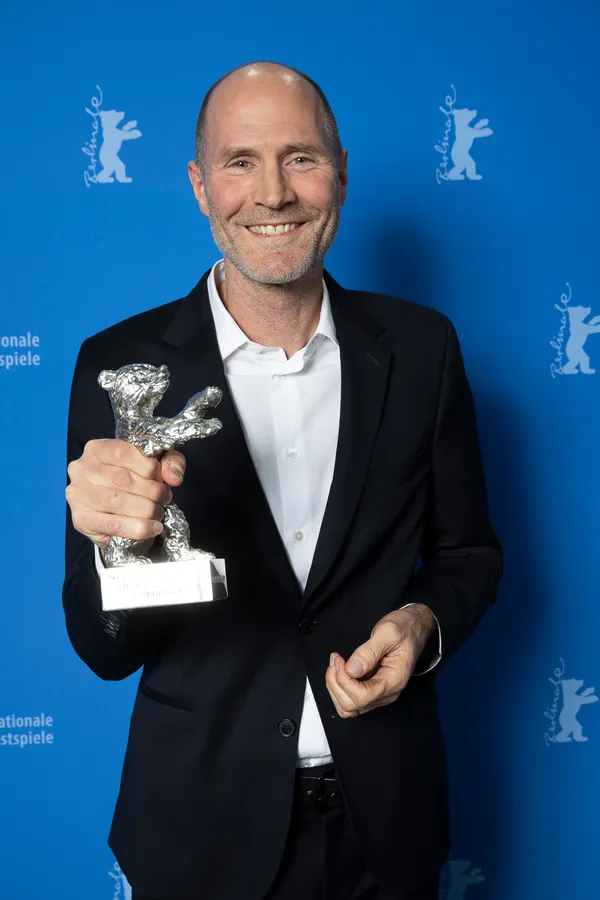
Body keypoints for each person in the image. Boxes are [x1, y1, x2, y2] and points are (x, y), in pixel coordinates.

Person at [63, 60, 502, 900]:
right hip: (196, 834)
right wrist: (114, 549)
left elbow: (469, 554)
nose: (273, 193)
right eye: (240, 162)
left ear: (341, 173)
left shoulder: (423, 348)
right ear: (200, 186)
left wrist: (421, 623)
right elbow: (101, 649)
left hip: (387, 831)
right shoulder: (118, 365)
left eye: (301, 157)